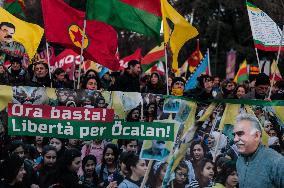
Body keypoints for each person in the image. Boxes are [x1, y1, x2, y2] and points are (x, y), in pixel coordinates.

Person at [233, 113, 284, 188]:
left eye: (240, 134)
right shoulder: (239, 160)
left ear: (256, 135)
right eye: (234, 135)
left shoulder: (277, 162)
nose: (235, 139)